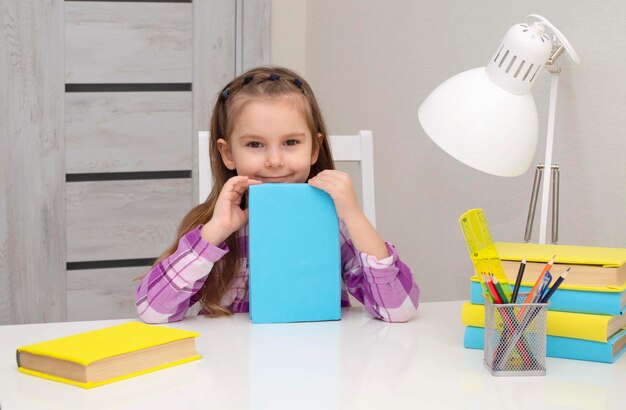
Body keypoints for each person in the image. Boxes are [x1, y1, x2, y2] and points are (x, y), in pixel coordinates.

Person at [135, 66, 419, 324]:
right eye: (255, 144)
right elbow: (153, 310)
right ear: (228, 153)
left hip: (321, 361)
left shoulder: (334, 222)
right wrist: (217, 230)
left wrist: (353, 216)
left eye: (291, 142)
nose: (274, 160)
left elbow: (399, 310)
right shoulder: (215, 227)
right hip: (235, 367)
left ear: (314, 149)